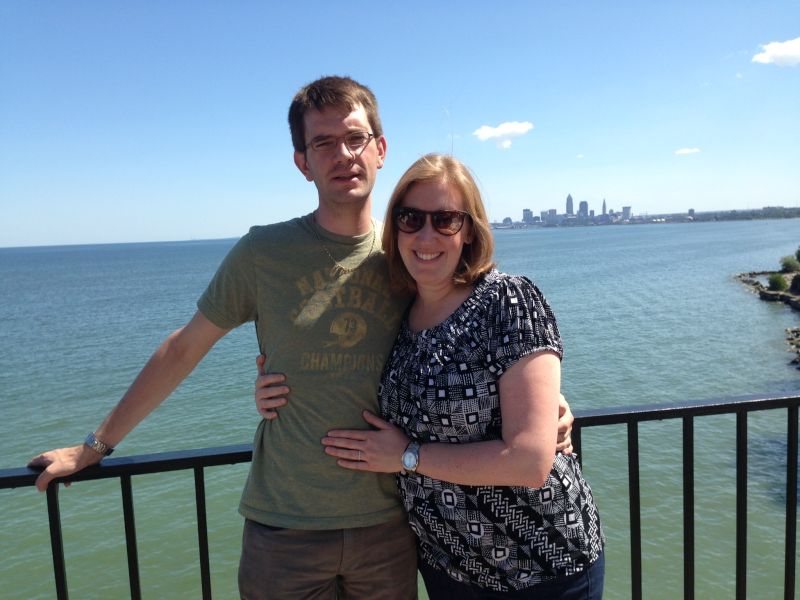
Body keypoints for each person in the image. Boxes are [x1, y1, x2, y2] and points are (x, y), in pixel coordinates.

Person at [29, 76, 575, 600]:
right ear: (302, 162)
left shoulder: (412, 251)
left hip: (390, 523)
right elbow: (184, 346)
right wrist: (95, 446)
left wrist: (547, 404)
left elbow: (479, 332)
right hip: (284, 524)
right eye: (323, 143)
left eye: (356, 138)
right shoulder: (263, 253)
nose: (343, 154)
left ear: (380, 149)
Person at [318, 154, 605, 599]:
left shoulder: (507, 301)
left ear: (469, 229)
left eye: (446, 220)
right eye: (411, 218)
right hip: (449, 570)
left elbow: (530, 461)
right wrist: (274, 384)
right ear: (394, 228)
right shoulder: (399, 312)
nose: (426, 235)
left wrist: (408, 456)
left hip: (541, 566)